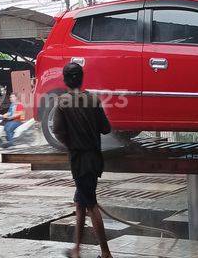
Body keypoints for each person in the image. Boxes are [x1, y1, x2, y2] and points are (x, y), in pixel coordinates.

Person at [52, 63, 113, 258]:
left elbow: (57, 132)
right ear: (82, 78)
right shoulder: (93, 100)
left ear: (65, 80)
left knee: (91, 205)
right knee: (80, 203)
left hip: (79, 161)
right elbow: (106, 129)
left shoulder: (62, 102)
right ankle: (77, 249)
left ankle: (106, 253)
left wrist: (71, 142)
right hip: (94, 159)